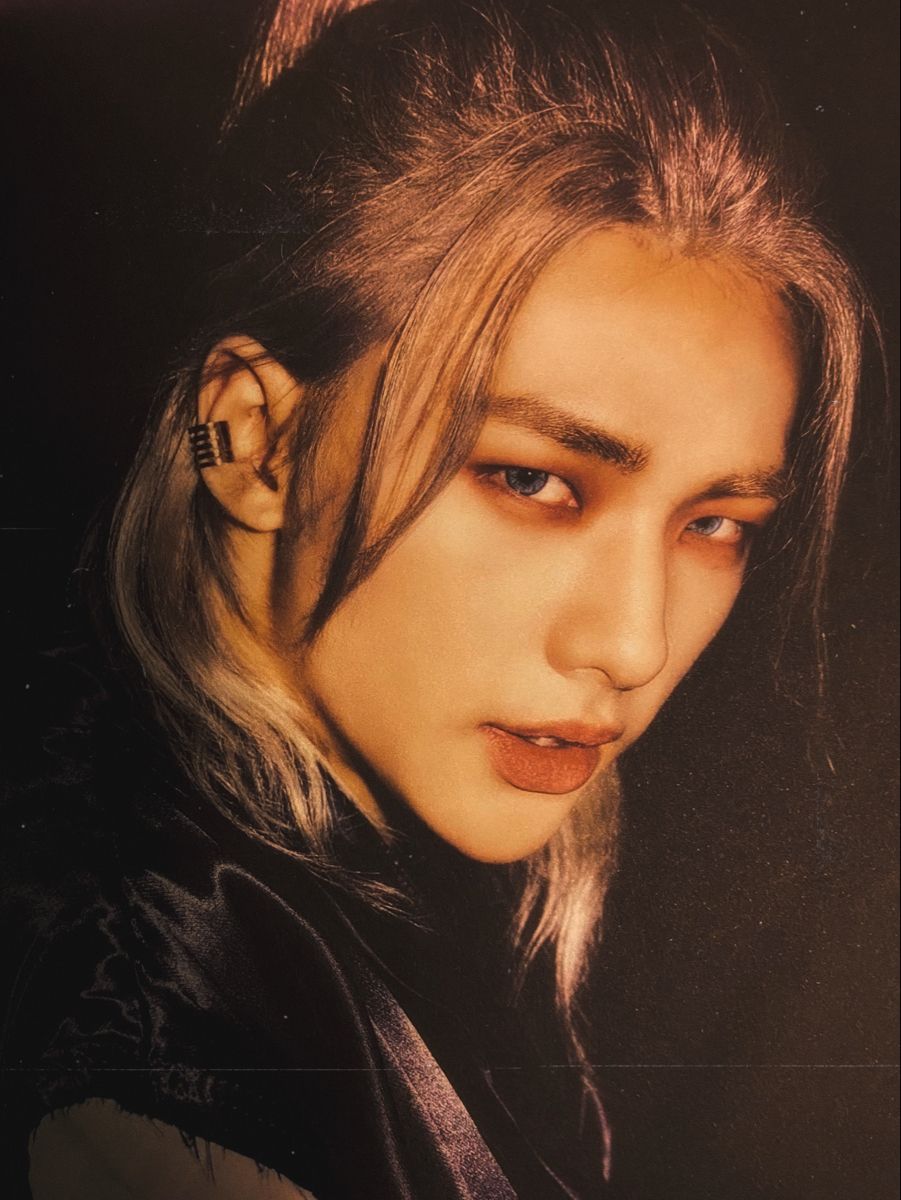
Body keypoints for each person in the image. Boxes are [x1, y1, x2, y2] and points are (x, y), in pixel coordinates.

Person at [1, 0, 873, 1196]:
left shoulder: (398, 900)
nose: (632, 642)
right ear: (251, 442)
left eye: (715, 524)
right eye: (533, 481)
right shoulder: (146, 1031)